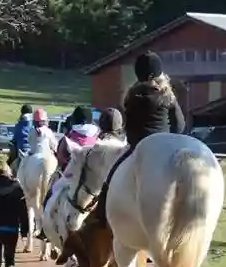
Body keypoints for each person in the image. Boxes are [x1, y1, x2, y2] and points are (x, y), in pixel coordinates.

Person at [78, 51, 184, 232]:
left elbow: (131, 129)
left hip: (140, 148)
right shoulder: (169, 96)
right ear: (158, 73)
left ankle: (101, 216)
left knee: (111, 176)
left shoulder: (131, 97)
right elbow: (180, 126)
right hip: (166, 147)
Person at [9, 104, 34, 168]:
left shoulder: (18, 125)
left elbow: (14, 139)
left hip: (22, 150)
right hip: (33, 150)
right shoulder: (34, 124)